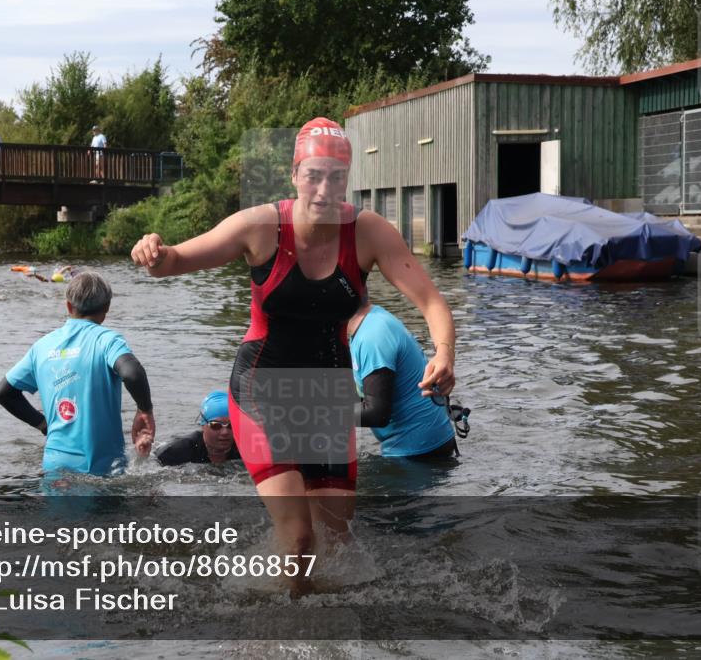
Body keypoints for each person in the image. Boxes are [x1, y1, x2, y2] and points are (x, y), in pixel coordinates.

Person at [131, 117, 456, 593]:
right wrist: (155, 253)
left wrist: (444, 352)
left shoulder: (367, 232)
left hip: (323, 397)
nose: (324, 189)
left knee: (338, 545)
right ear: (295, 173)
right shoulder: (261, 227)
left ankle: (302, 617)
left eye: (336, 177)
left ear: (348, 180)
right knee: (301, 539)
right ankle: (284, 634)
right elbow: (176, 259)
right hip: (262, 388)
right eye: (314, 175)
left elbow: (431, 300)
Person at [0, 272, 156, 475]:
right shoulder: (107, 340)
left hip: (54, 466)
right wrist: (145, 410)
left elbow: (3, 393)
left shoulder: (41, 347)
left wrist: (44, 424)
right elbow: (133, 373)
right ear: (106, 308)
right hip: (101, 469)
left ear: (68, 306)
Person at [348, 303, 459, 459]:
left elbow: (376, 413)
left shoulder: (372, 336)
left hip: (419, 454)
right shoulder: (372, 320)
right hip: (430, 445)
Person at [155, 391, 241, 466]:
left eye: (231, 425)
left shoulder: (245, 449)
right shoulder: (175, 452)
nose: (225, 432)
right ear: (203, 425)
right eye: (216, 425)